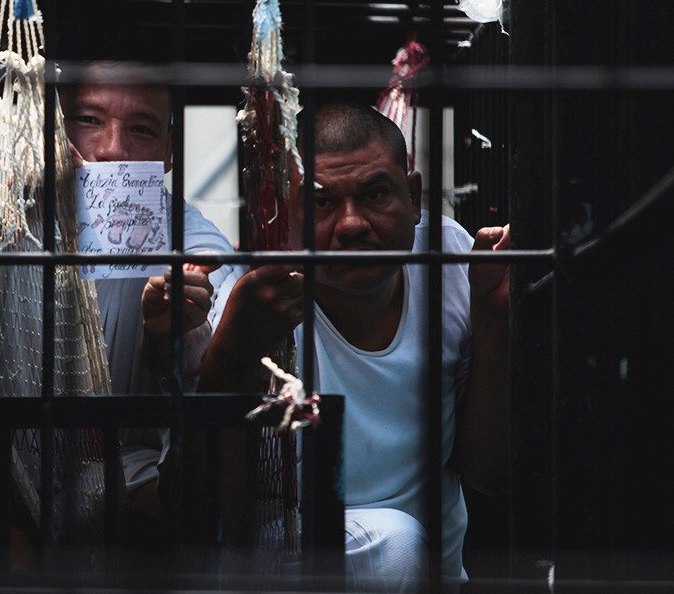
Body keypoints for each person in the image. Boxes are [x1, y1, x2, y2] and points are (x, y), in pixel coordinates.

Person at [186, 100, 510, 592]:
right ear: (285, 214)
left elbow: (490, 474)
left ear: (414, 197)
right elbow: (196, 509)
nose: (352, 224)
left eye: (375, 194)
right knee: (395, 545)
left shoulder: (450, 260)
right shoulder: (246, 294)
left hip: (434, 576)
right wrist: (233, 350)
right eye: (321, 203)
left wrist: (492, 318)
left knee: (399, 546)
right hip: (289, 564)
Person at [57, 70, 244, 540]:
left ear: (168, 152)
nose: (112, 150)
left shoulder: (193, 244)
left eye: (141, 129)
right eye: (88, 120)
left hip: (128, 472)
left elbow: (216, 348)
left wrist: (172, 339)